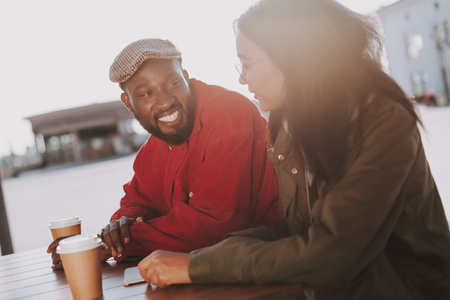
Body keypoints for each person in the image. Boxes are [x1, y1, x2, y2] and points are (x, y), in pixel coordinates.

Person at [137, 1, 450, 299]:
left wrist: (197, 266)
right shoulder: (290, 122)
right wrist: (199, 258)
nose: (241, 79)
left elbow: (334, 251)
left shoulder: (382, 120)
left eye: (246, 64)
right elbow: (298, 231)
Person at [47, 38, 282, 269]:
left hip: (271, 266)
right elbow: (137, 200)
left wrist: (118, 245)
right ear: (128, 103)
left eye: (172, 84)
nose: (165, 102)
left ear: (186, 78)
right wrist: (119, 228)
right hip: (213, 266)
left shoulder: (229, 114)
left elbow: (216, 223)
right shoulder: (154, 146)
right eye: (146, 94)